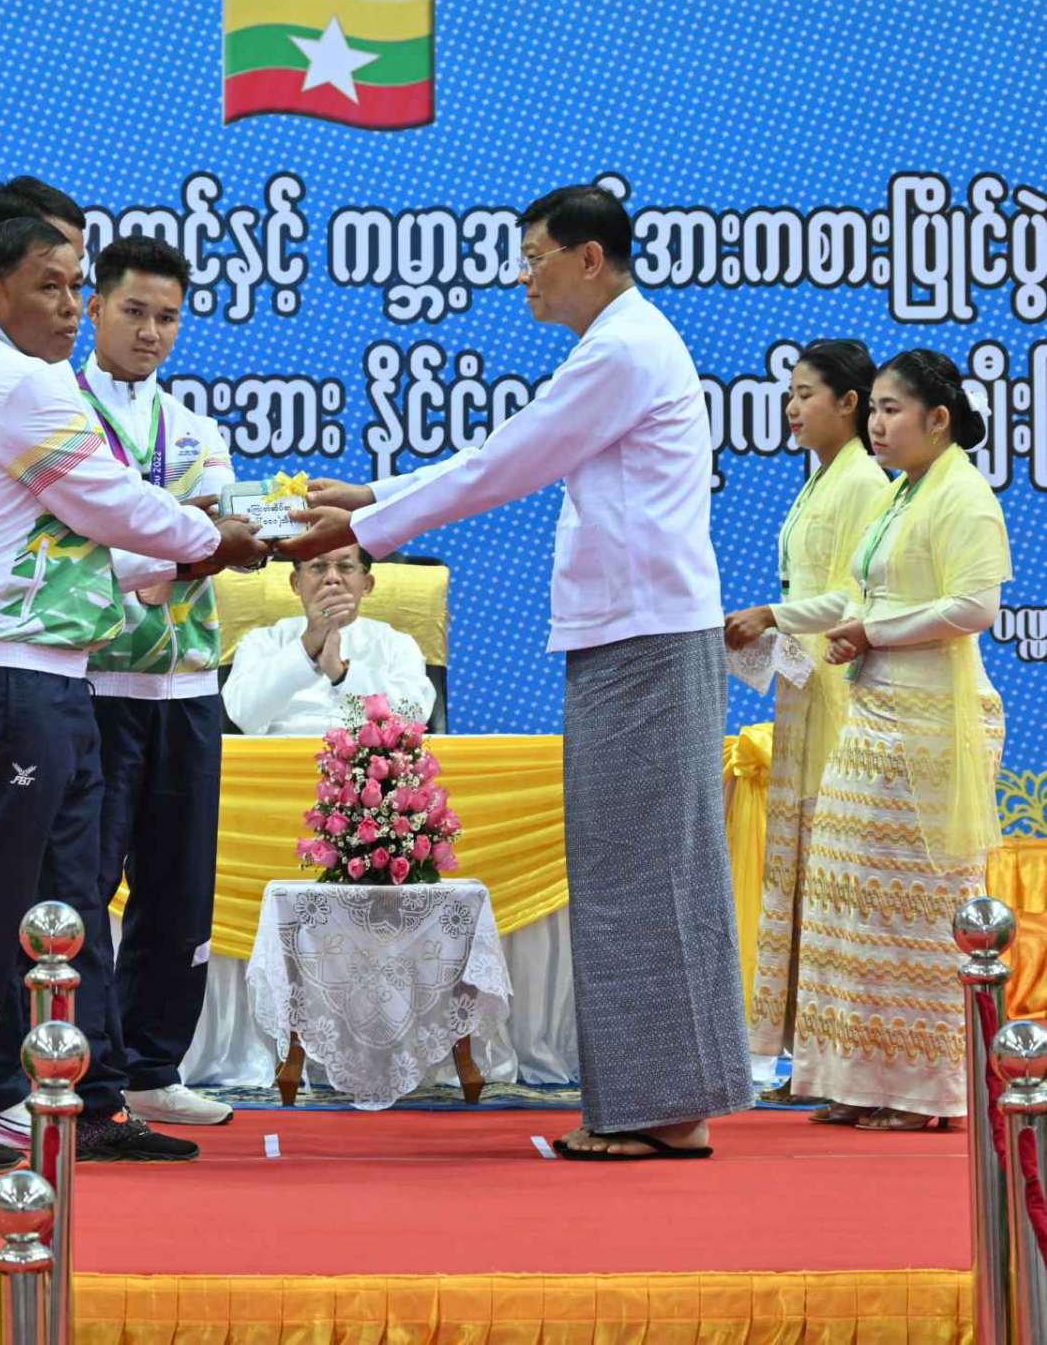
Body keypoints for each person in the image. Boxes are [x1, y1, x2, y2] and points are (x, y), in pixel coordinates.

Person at [280, 184, 753, 1160]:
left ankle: (659, 1108)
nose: (525, 276)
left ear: (589, 257)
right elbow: (505, 451)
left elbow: (509, 463)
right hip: (634, 634)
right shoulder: (619, 345)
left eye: (535, 256)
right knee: (644, 868)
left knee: (639, 872)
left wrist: (369, 523)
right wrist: (374, 497)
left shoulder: (623, 349)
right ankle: (671, 1100)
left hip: (645, 639)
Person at [0, 217, 268, 1169]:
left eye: (71, 285)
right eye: (51, 286)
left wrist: (185, 549)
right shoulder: (19, 382)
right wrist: (211, 540)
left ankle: (85, 1095)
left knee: (67, 897)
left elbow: (80, 548)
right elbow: (109, 503)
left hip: (44, 667)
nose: (69, 307)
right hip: (4, 668)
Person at [776, 349, 1008, 1130]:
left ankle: (924, 1093)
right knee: (849, 903)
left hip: (932, 725)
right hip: (873, 715)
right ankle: (857, 1078)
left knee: (915, 911)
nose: (876, 425)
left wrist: (873, 631)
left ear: (937, 419)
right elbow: (871, 597)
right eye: (872, 409)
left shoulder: (963, 495)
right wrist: (855, 629)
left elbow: (974, 607)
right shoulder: (902, 492)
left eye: (890, 410)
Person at [80, 236, 241, 1126]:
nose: (150, 332)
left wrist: (171, 539)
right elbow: (80, 542)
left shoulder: (194, 428)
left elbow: (219, 532)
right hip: (94, 682)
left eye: (167, 317)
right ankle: (87, 1073)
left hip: (187, 685)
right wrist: (180, 536)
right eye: (134, 311)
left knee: (179, 887)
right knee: (84, 884)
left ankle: (151, 1068)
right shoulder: (60, 416)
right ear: (94, 308)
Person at [724, 342, 889, 1093]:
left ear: (848, 403)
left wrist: (771, 615)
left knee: (831, 876)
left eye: (805, 394)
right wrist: (773, 626)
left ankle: (841, 1056)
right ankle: (809, 1057)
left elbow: (855, 599)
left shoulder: (862, 482)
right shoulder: (821, 478)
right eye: (788, 394)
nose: (791, 408)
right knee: (803, 876)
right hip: (806, 688)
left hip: (840, 693)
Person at [222, 545, 435, 735]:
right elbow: (242, 715)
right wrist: (305, 647)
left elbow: (415, 716)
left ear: (367, 584)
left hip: (367, 762)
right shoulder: (263, 641)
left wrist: (342, 675)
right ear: (296, 583)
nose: (332, 578)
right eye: (318, 566)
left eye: (345, 567)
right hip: (281, 759)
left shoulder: (396, 644)